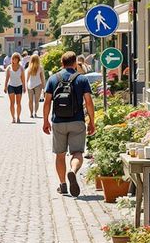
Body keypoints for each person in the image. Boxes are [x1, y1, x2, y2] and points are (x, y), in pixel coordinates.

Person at [42, 50, 97, 198]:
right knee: (77, 152)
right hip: (77, 121)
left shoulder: (53, 79)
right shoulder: (82, 79)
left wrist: (45, 121)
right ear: (75, 64)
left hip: (58, 122)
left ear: (62, 63)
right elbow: (89, 102)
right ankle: (72, 171)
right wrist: (92, 121)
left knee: (59, 155)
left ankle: (63, 185)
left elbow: (47, 102)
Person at [5, 52, 26, 123]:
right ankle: (13, 117)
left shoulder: (21, 68)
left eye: (16, 58)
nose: (14, 60)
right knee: (12, 103)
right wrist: (5, 86)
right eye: (13, 58)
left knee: (18, 103)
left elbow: (23, 78)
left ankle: (18, 117)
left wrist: (24, 87)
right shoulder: (9, 67)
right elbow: (7, 78)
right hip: (11, 86)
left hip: (19, 86)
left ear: (18, 59)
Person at [25, 54, 45, 119]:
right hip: (38, 85)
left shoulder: (29, 68)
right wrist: (44, 86)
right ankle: (35, 113)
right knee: (37, 101)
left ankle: (31, 113)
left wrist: (25, 86)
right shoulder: (40, 68)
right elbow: (42, 78)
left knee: (30, 100)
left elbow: (27, 78)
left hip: (30, 85)